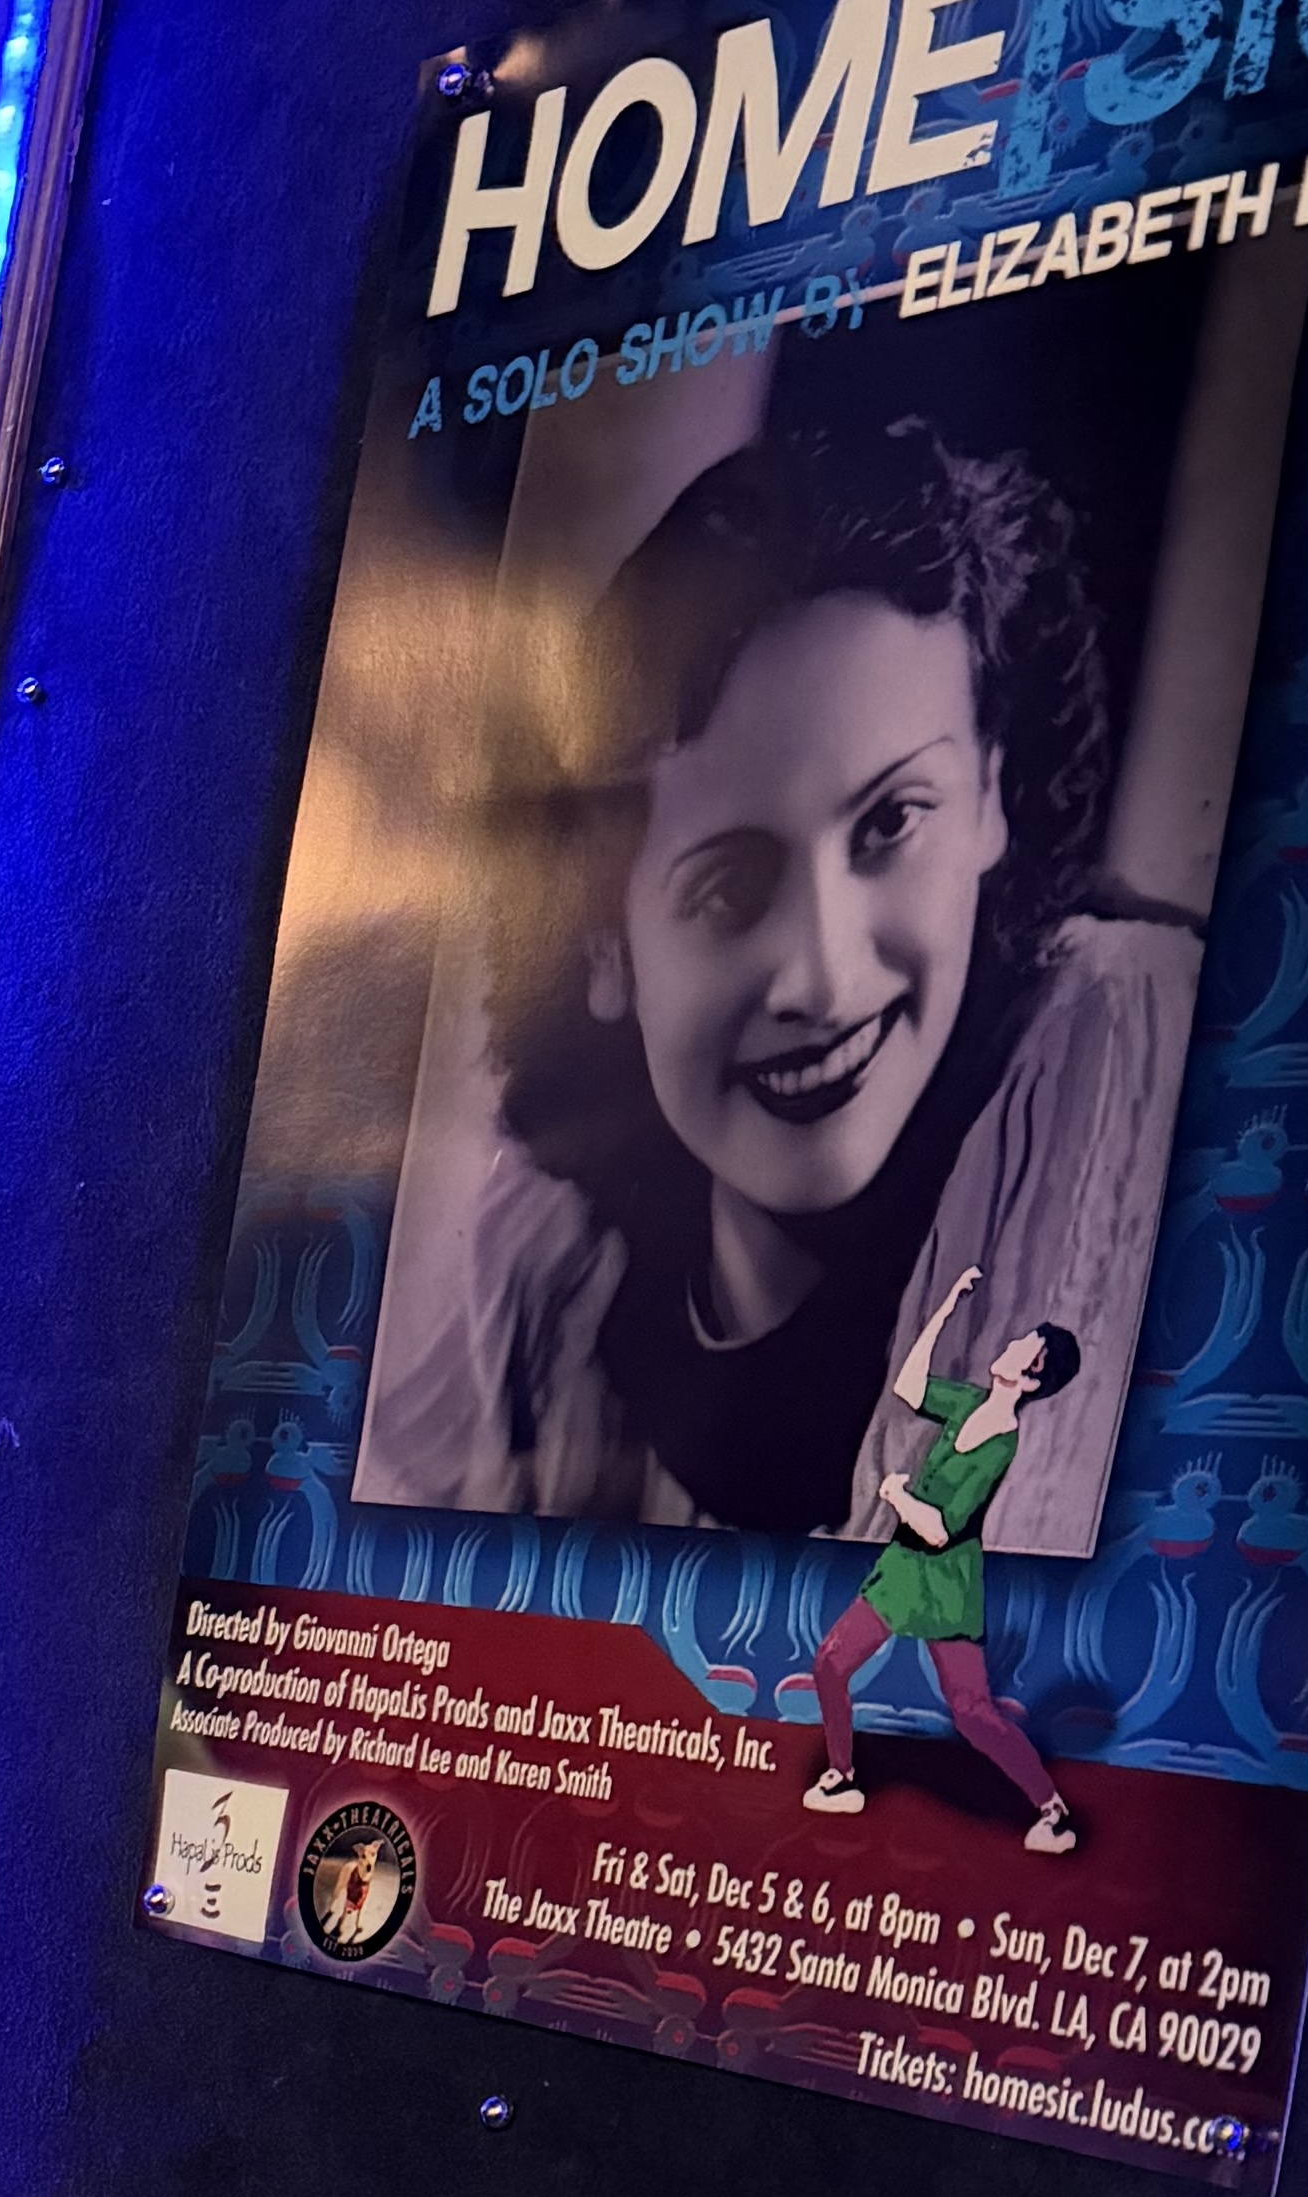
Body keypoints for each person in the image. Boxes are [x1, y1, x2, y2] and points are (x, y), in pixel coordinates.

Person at [352, 410, 1201, 1551]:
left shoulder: (1112, 1023)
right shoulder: (556, 1264)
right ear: (604, 944)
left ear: (992, 798)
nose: (824, 976)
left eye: (891, 822)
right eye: (728, 887)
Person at [797, 1264, 1082, 1851]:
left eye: (1024, 1345)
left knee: (972, 1713)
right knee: (831, 1662)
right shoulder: (969, 1402)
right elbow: (910, 1388)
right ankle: (841, 1776)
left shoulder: (1000, 1447)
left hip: (948, 1579)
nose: (1010, 1343)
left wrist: (897, 1494)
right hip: (906, 1570)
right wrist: (947, 1306)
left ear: (1031, 1376)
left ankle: (1050, 1809)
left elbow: (938, 1530)